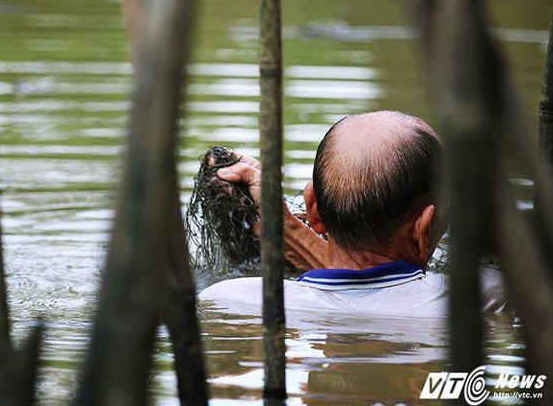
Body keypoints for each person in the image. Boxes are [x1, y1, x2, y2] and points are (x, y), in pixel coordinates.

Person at [198, 111, 508, 317]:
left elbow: (353, 286)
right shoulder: (478, 300)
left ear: (313, 209)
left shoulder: (229, 300)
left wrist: (289, 231)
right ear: (424, 228)